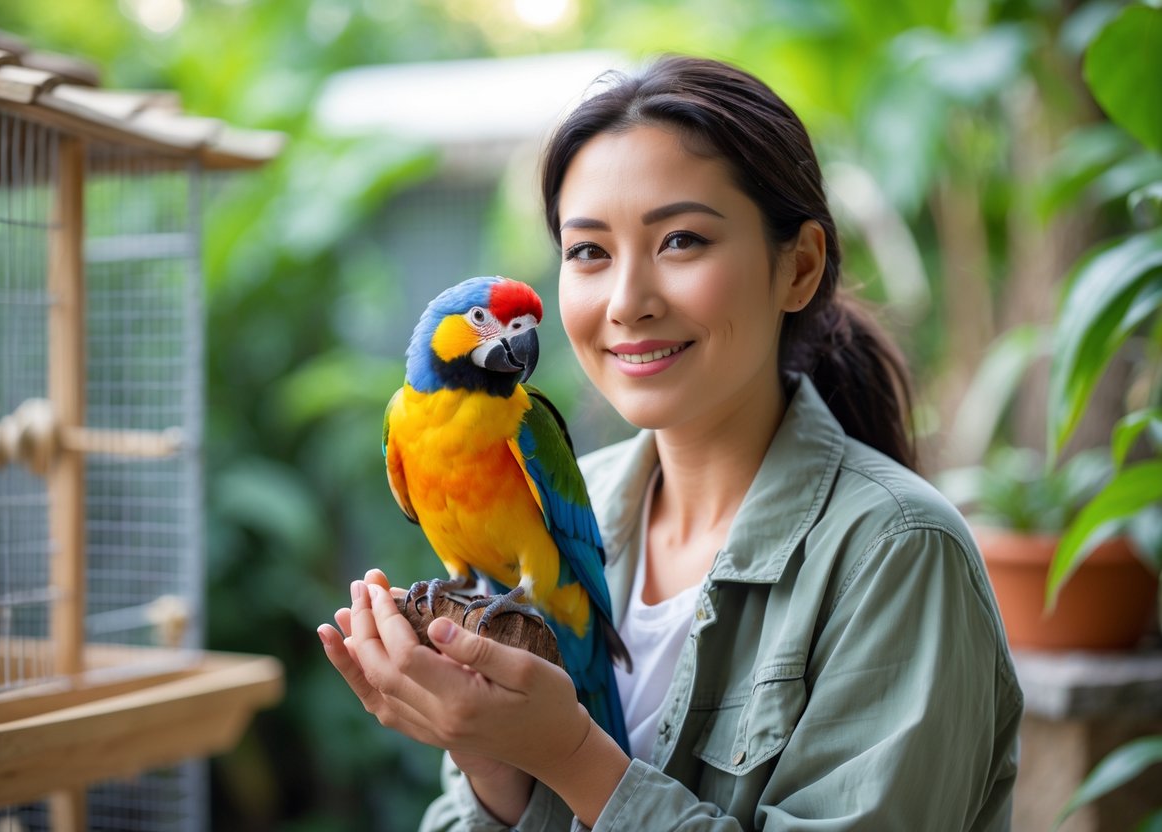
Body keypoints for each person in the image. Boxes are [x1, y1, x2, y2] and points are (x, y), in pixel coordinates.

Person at [317, 54, 1023, 830]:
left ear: (800, 267)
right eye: (588, 251)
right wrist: (491, 759)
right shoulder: (578, 490)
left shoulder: (897, 554)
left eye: (681, 240)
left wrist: (569, 756)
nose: (626, 303)